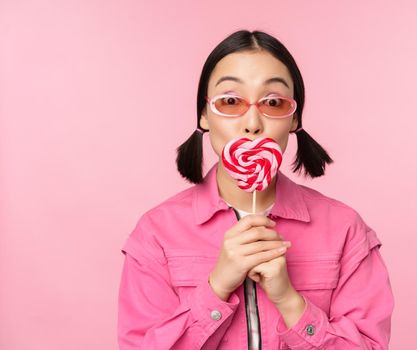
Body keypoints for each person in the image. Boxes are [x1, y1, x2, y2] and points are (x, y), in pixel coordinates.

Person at [117, 29, 394, 350]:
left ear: (294, 118)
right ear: (204, 115)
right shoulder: (156, 234)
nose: (252, 122)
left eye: (273, 102)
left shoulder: (345, 229)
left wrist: (289, 301)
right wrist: (217, 286)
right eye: (231, 101)